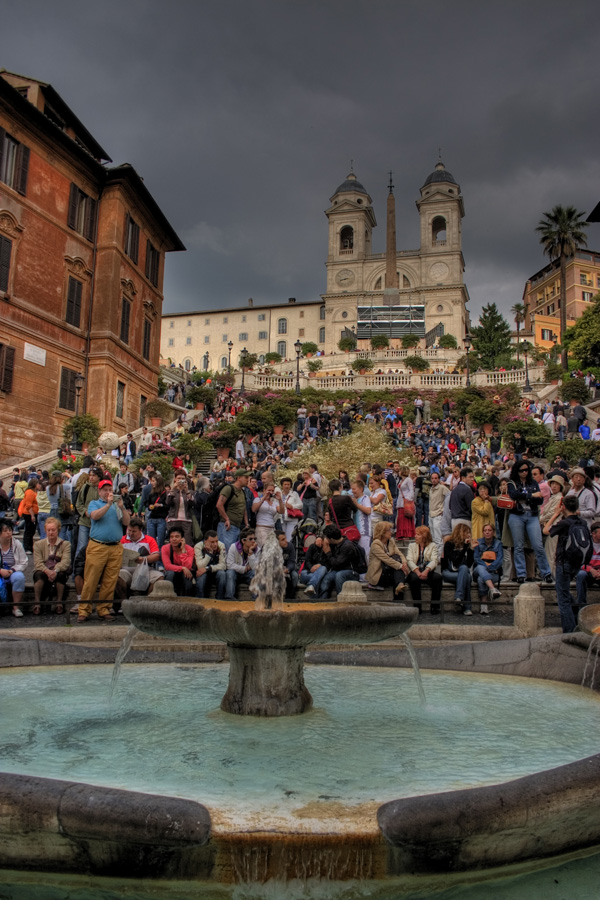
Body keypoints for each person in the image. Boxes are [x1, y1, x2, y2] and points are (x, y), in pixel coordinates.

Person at [78, 478, 131, 623]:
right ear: (100, 491)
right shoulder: (94, 504)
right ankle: (84, 609)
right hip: (98, 546)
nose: (108, 492)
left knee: (110, 581)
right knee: (91, 579)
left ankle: (104, 609)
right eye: (105, 490)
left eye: (110, 490)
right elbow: (94, 516)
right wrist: (108, 504)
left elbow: (127, 522)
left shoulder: (117, 506)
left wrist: (122, 508)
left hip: (115, 547)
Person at [545, 496, 592, 633]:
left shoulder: (564, 523)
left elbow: (546, 530)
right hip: (576, 562)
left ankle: (569, 632)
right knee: (563, 591)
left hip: (563, 562)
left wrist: (555, 514)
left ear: (563, 506)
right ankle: (577, 614)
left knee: (563, 599)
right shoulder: (582, 522)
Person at [507, 460, 553, 585]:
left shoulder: (533, 482)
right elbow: (514, 495)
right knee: (518, 546)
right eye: (522, 470)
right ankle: (521, 574)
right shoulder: (512, 483)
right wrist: (532, 495)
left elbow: (539, 501)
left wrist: (527, 496)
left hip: (532, 515)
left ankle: (546, 573)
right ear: (517, 471)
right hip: (517, 515)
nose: (525, 472)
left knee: (538, 545)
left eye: (526, 470)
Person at [115, 517, 163, 602]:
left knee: (159, 578)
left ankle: (147, 601)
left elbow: (156, 556)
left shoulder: (149, 540)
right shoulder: (122, 540)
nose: (131, 533)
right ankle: (125, 601)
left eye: (134, 531)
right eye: (129, 530)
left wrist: (144, 559)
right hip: (126, 570)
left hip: (145, 570)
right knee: (116, 576)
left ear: (140, 530)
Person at [32, 516, 71, 614]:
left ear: (57, 530)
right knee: (38, 575)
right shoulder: (38, 544)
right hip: (44, 569)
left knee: (61, 575)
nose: (51, 532)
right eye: (48, 530)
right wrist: (48, 571)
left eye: (53, 530)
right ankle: (37, 603)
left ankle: (59, 602)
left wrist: (55, 570)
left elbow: (66, 561)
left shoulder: (65, 544)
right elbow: (38, 562)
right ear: (45, 530)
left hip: (58, 570)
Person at [366, 521, 409, 599]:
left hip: (389, 571)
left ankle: (400, 586)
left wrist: (404, 562)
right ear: (382, 532)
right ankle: (399, 601)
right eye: (389, 530)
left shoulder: (391, 541)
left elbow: (399, 553)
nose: (391, 532)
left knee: (398, 571)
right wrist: (400, 566)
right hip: (379, 574)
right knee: (399, 570)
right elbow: (386, 559)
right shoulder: (375, 544)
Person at [317, 524, 361, 599]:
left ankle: (340, 600)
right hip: (339, 571)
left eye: (326, 538)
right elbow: (325, 562)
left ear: (331, 539)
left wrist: (328, 553)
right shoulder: (333, 545)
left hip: (352, 572)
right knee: (327, 577)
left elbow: (337, 564)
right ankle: (322, 600)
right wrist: (324, 550)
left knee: (339, 575)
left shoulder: (347, 546)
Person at [406, 526, 442, 615]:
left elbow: (435, 560)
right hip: (415, 571)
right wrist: (417, 571)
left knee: (438, 578)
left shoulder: (432, 546)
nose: (415, 536)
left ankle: (435, 606)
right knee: (414, 579)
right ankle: (417, 607)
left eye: (418, 535)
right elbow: (409, 560)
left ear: (424, 536)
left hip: (427, 570)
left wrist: (426, 571)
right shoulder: (411, 546)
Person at [441, 523, 475, 615]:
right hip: (448, 572)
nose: (469, 535)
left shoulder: (467, 546)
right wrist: (464, 548)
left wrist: (470, 550)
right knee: (466, 577)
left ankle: (459, 597)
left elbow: (469, 564)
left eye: (469, 533)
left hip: (461, 572)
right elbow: (455, 562)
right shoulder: (449, 544)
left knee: (465, 572)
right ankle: (467, 608)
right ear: (461, 533)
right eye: (467, 532)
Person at [216, 469, 250, 552]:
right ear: (238, 478)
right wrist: (227, 519)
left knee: (234, 553)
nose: (248, 479)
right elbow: (219, 505)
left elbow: (244, 508)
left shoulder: (242, 492)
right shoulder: (228, 488)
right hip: (227, 526)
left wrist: (246, 524)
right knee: (226, 552)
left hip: (237, 527)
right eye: (245, 477)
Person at [473, 523, 503, 614]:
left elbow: (500, 560)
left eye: (489, 530)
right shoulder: (478, 542)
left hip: (494, 572)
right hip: (478, 570)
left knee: (481, 579)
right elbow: (476, 559)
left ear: (493, 532)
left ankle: (483, 606)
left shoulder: (498, 544)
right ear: (483, 532)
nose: (487, 532)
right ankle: (493, 589)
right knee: (480, 568)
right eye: (485, 530)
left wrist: (490, 568)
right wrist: (486, 567)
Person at [0, 519, 27, 617]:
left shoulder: (17, 544)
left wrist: (12, 570)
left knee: (19, 577)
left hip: (12, 571)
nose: (8, 532)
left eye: (10, 530)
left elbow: (24, 562)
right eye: (5, 530)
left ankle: (16, 607)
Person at [165, 470, 199, 547]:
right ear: (175, 479)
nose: (180, 480)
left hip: (186, 520)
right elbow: (168, 503)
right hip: (173, 520)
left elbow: (193, 503)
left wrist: (186, 491)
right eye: (178, 478)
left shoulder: (190, 492)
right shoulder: (171, 491)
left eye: (183, 478)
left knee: (187, 543)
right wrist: (173, 489)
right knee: (174, 544)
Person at [160, 525, 196, 597]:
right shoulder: (165, 548)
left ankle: (187, 600)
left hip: (185, 573)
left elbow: (188, 566)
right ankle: (167, 598)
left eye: (177, 537)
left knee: (187, 575)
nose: (174, 539)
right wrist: (182, 568)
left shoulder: (189, 549)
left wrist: (183, 551)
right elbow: (167, 566)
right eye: (171, 537)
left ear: (182, 539)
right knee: (170, 573)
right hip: (173, 572)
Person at [225, 527, 259, 599]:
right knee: (229, 573)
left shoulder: (257, 550)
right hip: (236, 573)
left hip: (248, 574)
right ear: (243, 541)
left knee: (255, 573)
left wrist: (250, 554)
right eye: (250, 539)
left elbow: (256, 567)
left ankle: (256, 599)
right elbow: (229, 565)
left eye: (254, 539)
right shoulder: (233, 547)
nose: (253, 541)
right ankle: (229, 598)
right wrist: (245, 568)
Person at [252, 478, 285, 547]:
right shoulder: (258, 499)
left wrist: (280, 500)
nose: (271, 492)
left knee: (272, 549)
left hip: (272, 528)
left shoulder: (274, 502)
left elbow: (282, 511)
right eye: (269, 490)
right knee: (264, 548)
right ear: (264, 490)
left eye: (272, 491)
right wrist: (264, 498)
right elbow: (254, 509)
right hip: (261, 528)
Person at [194, 529, 227, 598]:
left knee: (222, 574)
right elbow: (200, 566)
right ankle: (200, 599)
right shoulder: (198, 546)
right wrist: (209, 554)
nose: (215, 544)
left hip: (214, 571)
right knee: (201, 575)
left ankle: (220, 599)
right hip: (203, 572)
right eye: (212, 542)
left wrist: (208, 568)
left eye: (216, 541)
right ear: (205, 541)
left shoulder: (221, 545)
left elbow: (223, 565)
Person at [575, 521, 600, 608]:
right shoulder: (585, 544)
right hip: (588, 571)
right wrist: (591, 570)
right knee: (581, 574)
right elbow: (578, 562)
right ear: (594, 534)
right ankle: (581, 606)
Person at [428, 470, 449, 557]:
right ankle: (434, 556)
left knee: (438, 538)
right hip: (431, 514)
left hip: (438, 515)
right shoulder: (431, 489)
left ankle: (439, 557)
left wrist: (444, 509)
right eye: (432, 478)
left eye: (436, 478)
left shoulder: (442, 488)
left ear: (439, 479)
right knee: (433, 537)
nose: (434, 480)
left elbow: (449, 497)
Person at [145, 473, 169, 549]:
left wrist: (160, 505)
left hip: (161, 519)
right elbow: (147, 504)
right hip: (152, 518)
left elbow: (168, 506)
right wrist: (149, 506)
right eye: (151, 481)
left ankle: (159, 559)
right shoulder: (151, 493)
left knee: (160, 542)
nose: (152, 483)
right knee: (152, 542)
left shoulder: (165, 494)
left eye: (153, 481)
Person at [277, 531, 299, 599]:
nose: (286, 541)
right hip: (275, 570)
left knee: (295, 575)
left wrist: (288, 569)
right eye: (283, 540)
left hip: (287, 569)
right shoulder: (270, 549)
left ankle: (291, 596)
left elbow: (292, 562)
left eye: (285, 538)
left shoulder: (290, 546)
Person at [280, 477, 303, 542]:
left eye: (288, 484)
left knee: (289, 538)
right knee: (282, 538)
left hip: (292, 519)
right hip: (282, 519)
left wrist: (292, 506)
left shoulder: (294, 494)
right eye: (285, 484)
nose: (287, 486)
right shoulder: (279, 494)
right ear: (282, 485)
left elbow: (301, 505)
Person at [20, 478, 39, 553]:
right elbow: (28, 505)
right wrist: (32, 515)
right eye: (37, 484)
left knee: (31, 531)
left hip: (33, 513)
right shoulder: (30, 492)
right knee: (29, 531)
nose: (38, 485)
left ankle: (29, 547)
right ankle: (27, 547)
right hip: (29, 514)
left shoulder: (34, 492)